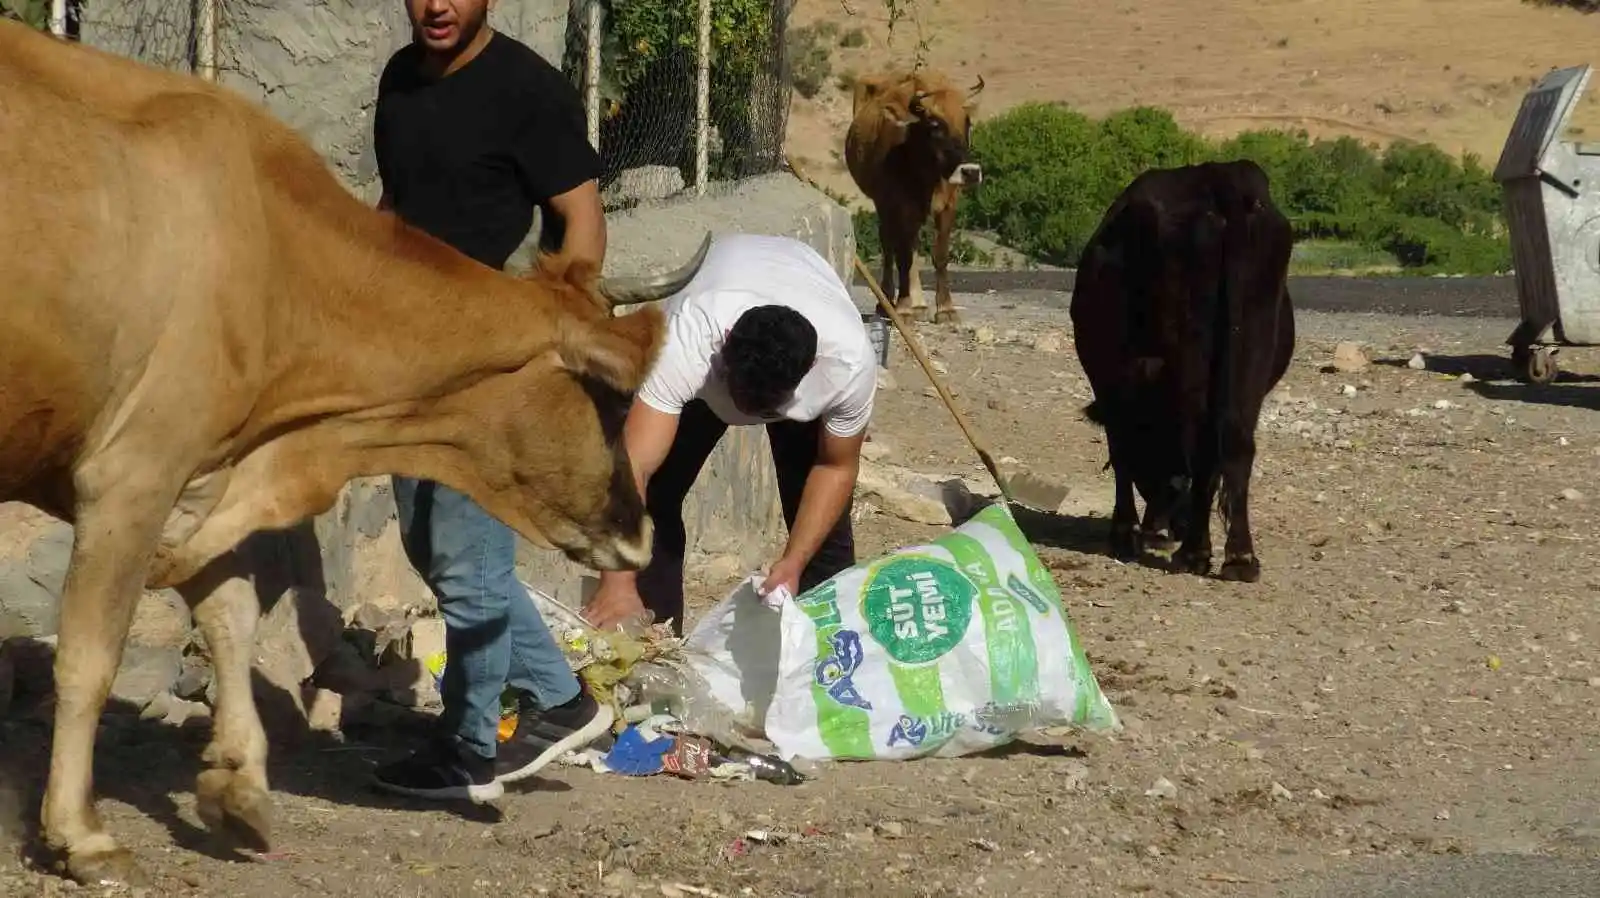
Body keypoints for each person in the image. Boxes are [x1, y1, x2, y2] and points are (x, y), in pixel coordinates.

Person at [369, 0, 612, 803]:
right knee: (430, 545)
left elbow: (579, 212)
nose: (438, 4)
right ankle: (559, 699)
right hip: (409, 357)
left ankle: (468, 748)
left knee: (471, 563)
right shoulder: (400, 81)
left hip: (491, 363)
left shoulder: (526, 90)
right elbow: (395, 209)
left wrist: (557, 329)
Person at [581, 233, 878, 635]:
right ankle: (654, 645)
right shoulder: (687, 340)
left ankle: (830, 652)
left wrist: (793, 561)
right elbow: (632, 466)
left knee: (824, 536)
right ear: (724, 350)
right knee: (658, 502)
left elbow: (835, 466)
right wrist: (616, 583)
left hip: (794, 301)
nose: (751, 419)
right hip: (711, 349)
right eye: (742, 400)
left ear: (809, 372)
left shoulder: (847, 365)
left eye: (768, 409)